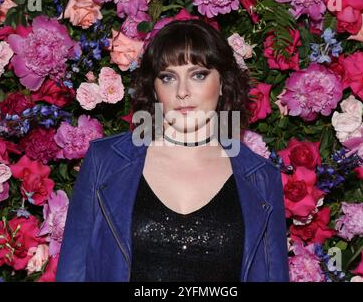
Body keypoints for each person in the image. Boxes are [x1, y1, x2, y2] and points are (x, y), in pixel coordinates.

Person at [55, 19, 289, 282]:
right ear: (155, 90)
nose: (182, 92)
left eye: (198, 75)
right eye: (168, 77)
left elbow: (273, 274)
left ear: (222, 82)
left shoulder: (261, 179)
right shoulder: (105, 161)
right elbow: (72, 273)